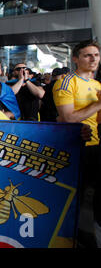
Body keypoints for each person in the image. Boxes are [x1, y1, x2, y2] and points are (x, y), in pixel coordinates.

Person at [53, 40, 101, 247]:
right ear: (75, 59)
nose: (93, 59)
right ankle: (69, 238)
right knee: (74, 199)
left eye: (96, 55)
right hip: (75, 148)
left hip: (97, 147)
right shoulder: (66, 82)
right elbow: (69, 118)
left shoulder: (97, 85)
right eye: (87, 55)